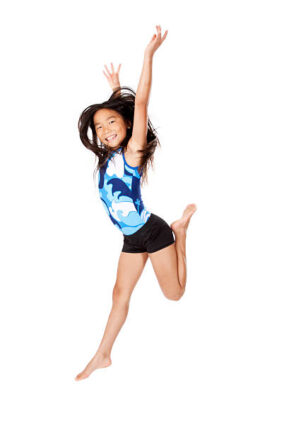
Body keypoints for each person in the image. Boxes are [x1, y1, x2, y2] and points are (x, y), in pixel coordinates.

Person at [75, 25, 197, 381]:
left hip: (154, 232)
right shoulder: (106, 154)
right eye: (99, 127)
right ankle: (103, 354)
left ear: (129, 127)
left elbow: (138, 104)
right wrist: (114, 89)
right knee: (118, 294)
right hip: (131, 237)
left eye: (112, 123)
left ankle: (182, 234)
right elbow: (117, 117)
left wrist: (148, 55)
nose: (105, 130)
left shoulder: (132, 153)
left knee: (174, 295)